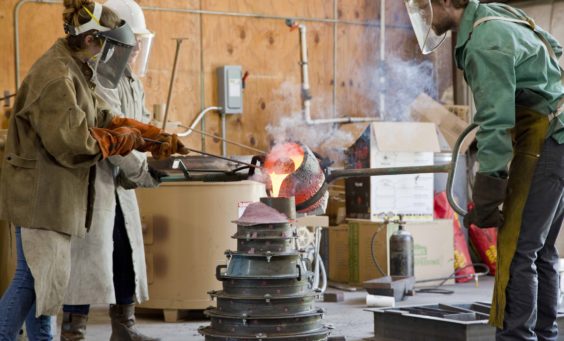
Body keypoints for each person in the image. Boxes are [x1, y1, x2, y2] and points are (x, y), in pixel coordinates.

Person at [0, 0, 187, 339]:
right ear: (91, 40)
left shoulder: (74, 68)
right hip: (42, 198)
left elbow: (103, 118)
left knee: (47, 287)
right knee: (32, 282)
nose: (116, 55)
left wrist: (147, 137)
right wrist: (121, 141)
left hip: (56, 196)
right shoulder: (56, 76)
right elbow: (72, 143)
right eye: (111, 46)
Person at [404, 0, 564, 339]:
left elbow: (495, 122)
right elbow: (553, 47)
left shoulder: (484, 41)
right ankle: (545, 335)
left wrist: (489, 188)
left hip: (549, 138)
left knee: (517, 248)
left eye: (423, 6)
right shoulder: (496, 14)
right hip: (556, 132)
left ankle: (518, 336)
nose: (420, 13)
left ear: (447, 2)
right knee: (542, 248)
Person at [60, 0, 161, 340]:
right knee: (86, 264)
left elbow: (139, 128)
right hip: (95, 183)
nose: (136, 51)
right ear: (110, 40)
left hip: (120, 185)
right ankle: (73, 332)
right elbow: (116, 136)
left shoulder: (132, 81)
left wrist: (159, 146)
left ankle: (125, 328)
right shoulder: (101, 80)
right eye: (131, 42)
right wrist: (143, 170)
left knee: (124, 256)